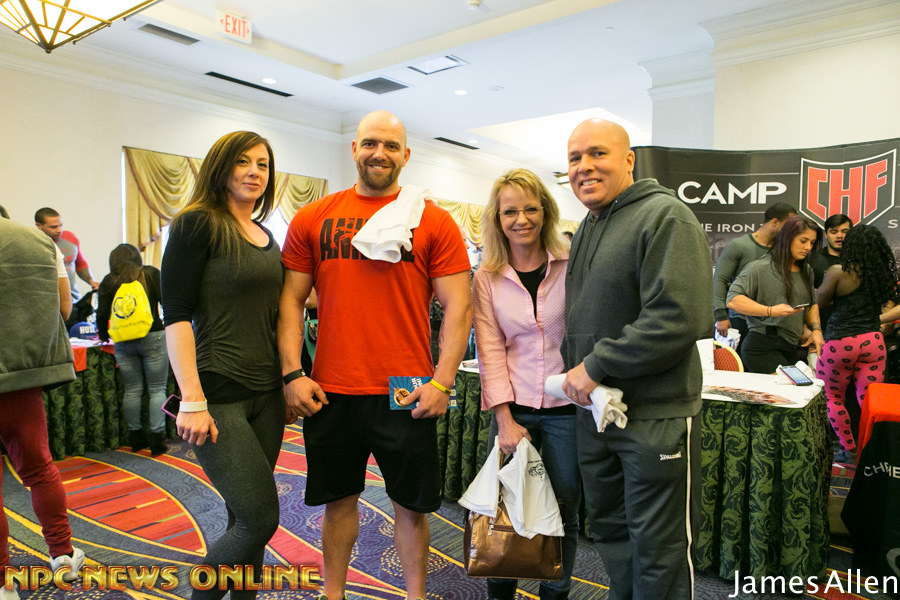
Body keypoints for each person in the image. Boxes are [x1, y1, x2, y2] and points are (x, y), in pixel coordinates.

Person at [278, 110, 472, 600]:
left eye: (389, 145)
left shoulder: (434, 221)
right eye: (369, 143)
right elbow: (290, 301)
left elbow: (459, 307)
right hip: (332, 387)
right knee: (337, 502)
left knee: (411, 506)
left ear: (406, 155)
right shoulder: (313, 217)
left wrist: (443, 381)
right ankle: (334, 594)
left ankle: (415, 596)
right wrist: (292, 374)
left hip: (406, 390)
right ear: (354, 149)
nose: (378, 153)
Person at [561, 119, 712, 600]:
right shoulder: (587, 227)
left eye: (597, 154)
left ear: (629, 160)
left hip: (654, 415)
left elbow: (679, 317)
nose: (584, 167)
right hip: (597, 415)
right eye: (574, 158)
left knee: (659, 548)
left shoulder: (666, 216)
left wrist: (595, 364)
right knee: (611, 532)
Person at [161, 131, 284, 600]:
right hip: (217, 391)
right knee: (259, 519)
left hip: (267, 393)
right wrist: (192, 399)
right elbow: (175, 314)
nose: (255, 172)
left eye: (263, 164)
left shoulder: (266, 235)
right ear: (220, 167)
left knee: (242, 521)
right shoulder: (197, 223)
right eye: (242, 162)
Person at [472, 169, 579, 600]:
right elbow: (490, 350)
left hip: (568, 412)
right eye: (510, 212)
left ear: (546, 212)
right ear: (497, 219)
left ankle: (555, 593)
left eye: (531, 209)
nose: (521, 220)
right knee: (505, 511)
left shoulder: (571, 264)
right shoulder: (487, 276)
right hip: (512, 411)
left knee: (563, 513)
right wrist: (504, 420)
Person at [0, 218, 85, 600]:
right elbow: (64, 309)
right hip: (20, 378)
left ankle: (3, 583)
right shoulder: (37, 241)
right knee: (40, 470)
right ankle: (62, 555)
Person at [815, 224, 896, 459]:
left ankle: (848, 448)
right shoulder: (882, 274)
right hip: (873, 341)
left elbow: (818, 301)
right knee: (871, 401)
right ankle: (872, 450)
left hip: (840, 343)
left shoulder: (838, 271)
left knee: (832, 397)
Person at [727, 215, 825, 374]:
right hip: (762, 346)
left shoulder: (806, 271)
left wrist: (816, 330)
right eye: (803, 241)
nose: (808, 247)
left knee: (799, 386)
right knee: (789, 386)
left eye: (812, 243)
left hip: (791, 347)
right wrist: (770, 311)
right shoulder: (759, 268)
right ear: (787, 238)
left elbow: (811, 305)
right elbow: (733, 300)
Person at [97, 244, 169, 456]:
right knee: (157, 389)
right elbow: (167, 302)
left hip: (124, 341)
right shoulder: (151, 274)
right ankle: (157, 440)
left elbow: (102, 313)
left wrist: (104, 335)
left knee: (132, 389)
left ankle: (136, 438)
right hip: (153, 336)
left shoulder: (109, 281)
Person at [713, 203, 796, 351]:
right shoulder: (738, 245)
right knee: (736, 363)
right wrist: (721, 316)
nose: (792, 230)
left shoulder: (782, 250)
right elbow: (719, 280)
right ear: (775, 222)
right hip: (741, 318)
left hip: (772, 323)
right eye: (789, 225)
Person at [35, 207, 98, 301]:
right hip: (47, 301)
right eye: (53, 227)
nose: (59, 230)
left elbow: (80, 264)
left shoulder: (70, 238)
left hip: (73, 299)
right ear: (39, 226)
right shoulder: (33, 244)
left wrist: (91, 281)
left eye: (60, 225)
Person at [811, 214, 853, 287]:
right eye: (834, 232)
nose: (839, 236)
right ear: (826, 234)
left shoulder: (857, 260)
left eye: (845, 232)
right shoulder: (813, 259)